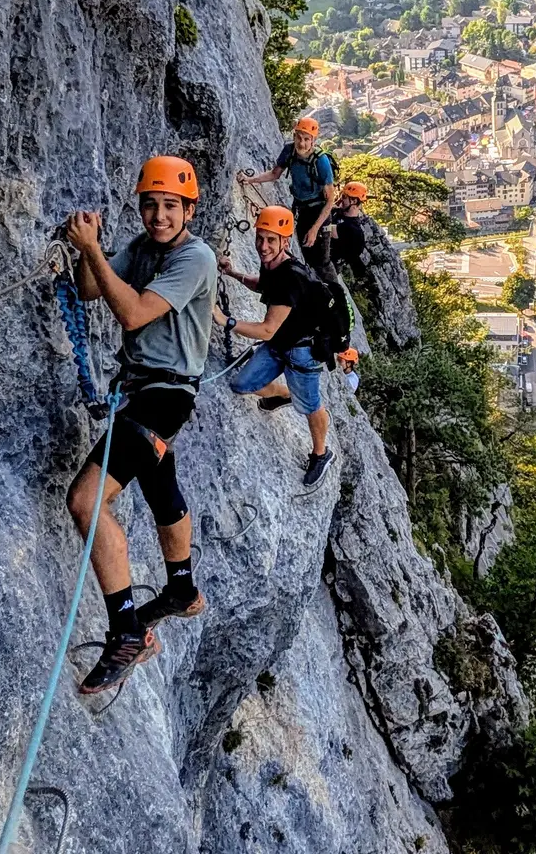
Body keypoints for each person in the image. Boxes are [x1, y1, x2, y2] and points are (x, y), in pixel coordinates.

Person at [62, 156, 218, 694]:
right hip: (145, 392)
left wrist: (93, 251)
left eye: (170, 206)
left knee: (86, 502)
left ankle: (128, 632)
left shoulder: (196, 257)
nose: (159, 215)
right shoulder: (142, 248)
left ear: (189, 210)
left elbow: (131, 313)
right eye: (150, 205)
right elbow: (89, 289)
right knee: (159, 481)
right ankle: (181, 589)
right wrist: (90, 248)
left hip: (164, 396)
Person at [217, 205, 335, 488]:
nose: (263, 246)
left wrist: (225, 321)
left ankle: (321, 453)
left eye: (271, 240)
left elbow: (267, 329)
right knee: (242, 384)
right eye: (260, 238)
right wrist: (233, 274)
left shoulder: (291, 276)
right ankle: (284, 394)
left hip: (303, 352)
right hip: (280, 345)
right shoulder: (273, 264)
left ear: (285, 241)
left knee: (310, 405)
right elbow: (264, 286)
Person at [241, 116, 335, 274]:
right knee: (305, 253)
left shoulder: (321, 161)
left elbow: (330, 198)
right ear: (294, 136)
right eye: (299, 137)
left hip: (319, 212)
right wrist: (250, 180)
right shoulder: (289, 151)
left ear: (313, 141)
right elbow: (275, 174)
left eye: (306, 139)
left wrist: (315, 229)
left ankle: (334, 290)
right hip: (301, 208)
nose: (302, 143)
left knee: (322, 262)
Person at [329, 180, 371, 276]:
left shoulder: (352, 229)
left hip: (326, 266)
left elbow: (326, 228)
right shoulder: (339, 213)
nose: (341, 199)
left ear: (354, 201)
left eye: (344, 197)